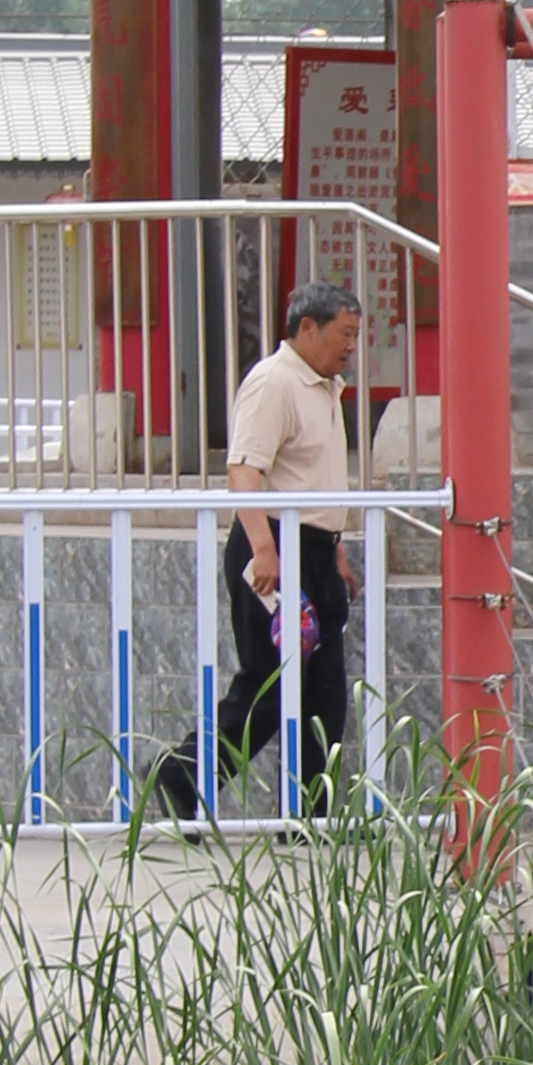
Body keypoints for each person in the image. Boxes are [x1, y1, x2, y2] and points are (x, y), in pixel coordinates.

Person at [148, 278, 364, 821]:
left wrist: (336, 549)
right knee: (270, 683)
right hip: (271, 547)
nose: (351, 346)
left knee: (326, 693)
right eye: (344, 334)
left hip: (315, 549)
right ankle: (183, 775)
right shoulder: (273, 382)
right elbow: (246, 469)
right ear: (307, 328)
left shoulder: (325, 386)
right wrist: (265, 551)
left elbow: (315, 480)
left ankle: (312, 816)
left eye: (356, 335)